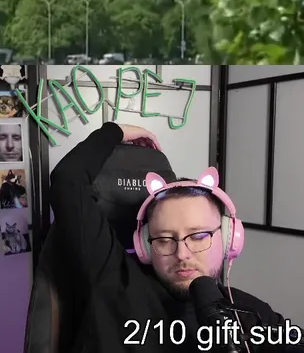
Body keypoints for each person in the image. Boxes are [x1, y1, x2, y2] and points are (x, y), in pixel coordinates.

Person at [49, 122, 300, 352]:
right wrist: (115, 131)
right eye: (165, 239)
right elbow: (68, 181)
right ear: (144, 245)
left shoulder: (252, 314)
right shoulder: (113, 279)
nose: (182, 254)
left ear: (228, 238)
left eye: (198, 236)